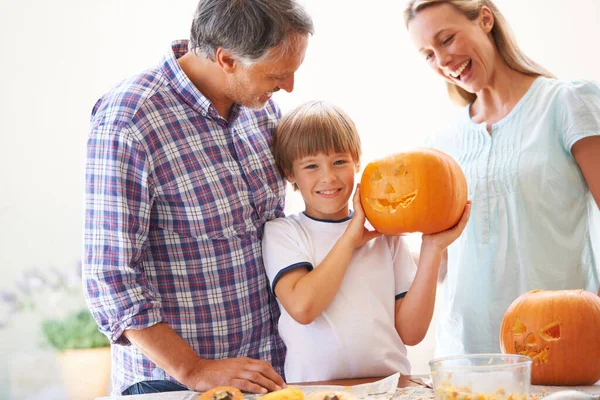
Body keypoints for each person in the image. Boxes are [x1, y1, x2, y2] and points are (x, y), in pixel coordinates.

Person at [83, 0, 313, 395]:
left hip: (265, 373)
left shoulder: (260, 108)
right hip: (173, 384)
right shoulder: (130, 119)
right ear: (226, 59)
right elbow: (110, 279)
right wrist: (194, 370)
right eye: (278, 73)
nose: (289, 86)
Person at [404, 0, 600, 358]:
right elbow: (443, 259)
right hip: (465, 354)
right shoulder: (440, 143)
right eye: (428, 55)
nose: (443, 61)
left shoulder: (566, 102)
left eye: (446, 39)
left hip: (560, 344)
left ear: (484, 18)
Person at [262, 101, 471, 382]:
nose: (329, 177)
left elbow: (412, 333)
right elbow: (303, 308)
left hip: (390, 387)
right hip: (315, 391)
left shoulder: (387, 237)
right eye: (311, 166)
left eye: (339, 161)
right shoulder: (283, 233)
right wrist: (351, 238)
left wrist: (432, 248)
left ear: (357, 162)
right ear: (290, 174)